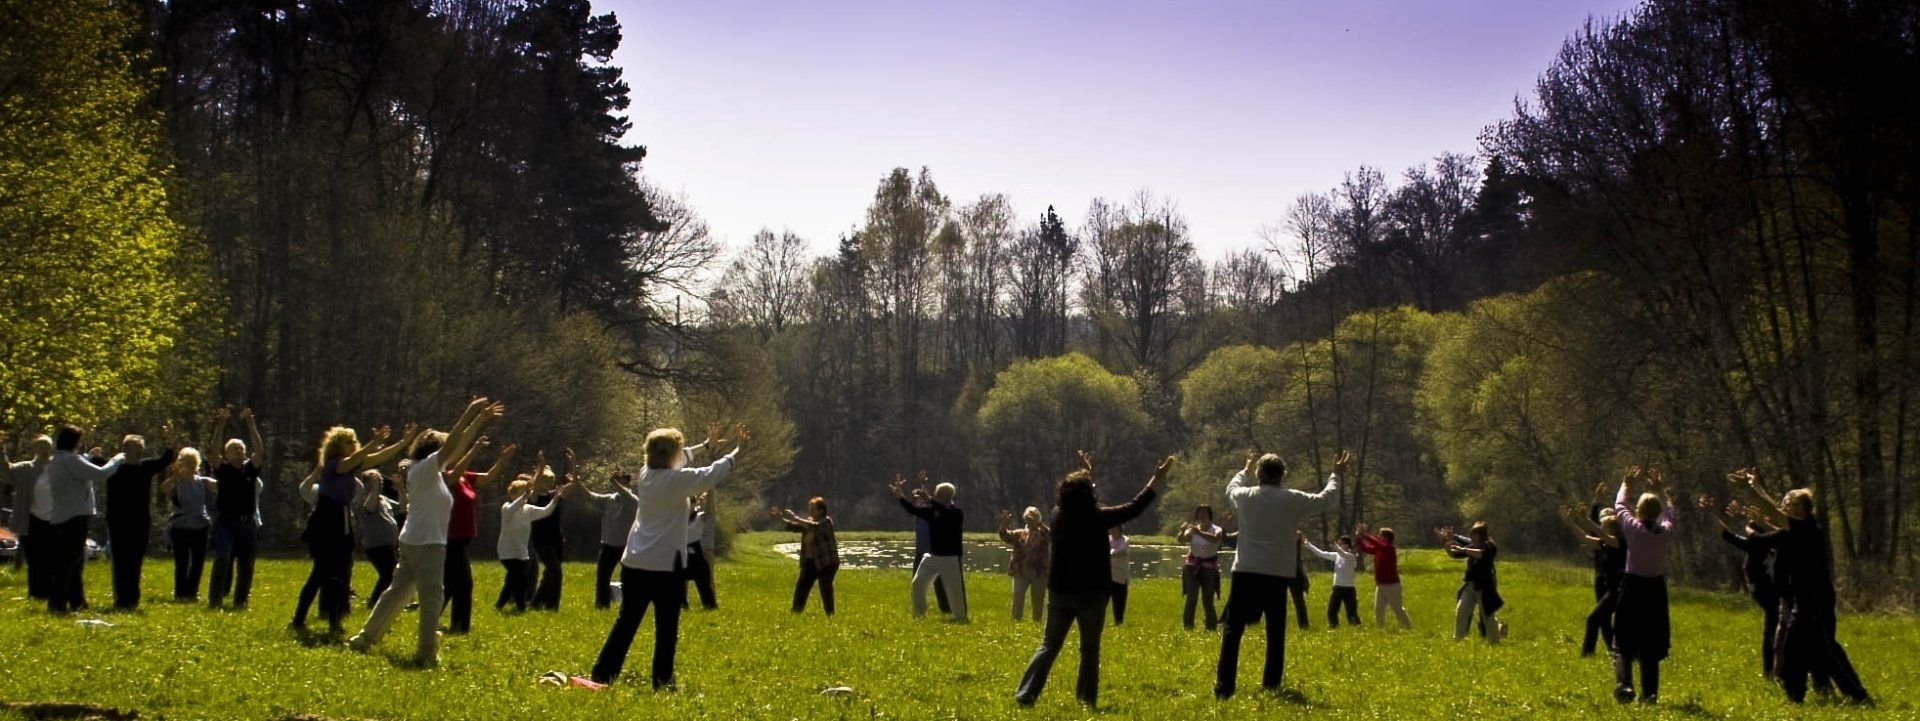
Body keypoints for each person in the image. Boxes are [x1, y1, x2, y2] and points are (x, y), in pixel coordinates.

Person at [590, 424, 747, 689]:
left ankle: (602, 674)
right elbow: (713, 473)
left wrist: (705, 445)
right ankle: (662, 681)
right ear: (671, 454)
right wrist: (740, 449)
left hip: (636, 561)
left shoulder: (645, 474)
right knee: (666, 628)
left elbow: (683, 456)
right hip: (665, 566)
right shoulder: (677, 481)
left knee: (626, 623)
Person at [349, 398, 501, 666]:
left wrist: (480, 421)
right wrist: (470, 412)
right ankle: (426, 652)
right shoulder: (426, 468)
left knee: (396, 592)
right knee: (432, 597)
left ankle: (366, 638)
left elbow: (458, 447)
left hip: (412, 541)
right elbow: (454, 443)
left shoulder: (431, 473)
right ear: (434, 450)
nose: (449, 453)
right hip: (428, 543)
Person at [1014, 452, 1166, 709]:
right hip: (1092, 592)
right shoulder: (1099, 517)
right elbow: (1135, 506)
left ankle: (1026, 693)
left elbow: (1077, 493)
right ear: (1089, 495)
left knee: (1049, 645)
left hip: (1061, 591)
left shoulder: (1056, 514)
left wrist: (1086, 472)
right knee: (1089, 650)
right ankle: (1086, 699)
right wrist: (1157, 478)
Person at [1727, 470, 1871, 705]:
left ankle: (1852, 695)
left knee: (1817, 649)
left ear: (1801, 509)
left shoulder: (1806, 528)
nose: (1784, 506)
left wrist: (1749, 490)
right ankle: (1804, 696)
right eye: (1784, 502)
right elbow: (1773, 514)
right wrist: (1757, 488)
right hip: (1803, 599)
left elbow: (1772, 512)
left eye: (1788, 503)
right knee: (1808, 649)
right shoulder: (1795, 528)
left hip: (1815, 600)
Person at [1214, 450, 1346, 700]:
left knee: (1233, 630)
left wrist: (1244, 467)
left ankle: (1224, 687)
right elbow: (1326, 499)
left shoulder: (1244, 496)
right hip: (1277, 573)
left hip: (1245, 571)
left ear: (1259, 474)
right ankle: (1271, 685)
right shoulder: (1292, 499)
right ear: (1282, 475)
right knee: (1275, 631)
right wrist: (1335, 475)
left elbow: (1231, 487)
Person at [293, 423, 417, 632]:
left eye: (353, 441)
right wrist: (373, 443)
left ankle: (335, 621)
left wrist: (403, 443)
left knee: (341, 574)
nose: (352, 444)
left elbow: (378, 458)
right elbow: (352, 460)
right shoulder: (333, 464)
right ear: (336, 445)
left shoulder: (353, 464)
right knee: (320, 574)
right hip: (325, 523)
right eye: (348, 441)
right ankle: (298, 620)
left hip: (342, 524)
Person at [35, 424, 123, 614]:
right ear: (74, 442)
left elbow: (78, 469)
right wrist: (117, 459)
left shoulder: (57, 460)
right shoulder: (71, 459)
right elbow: (100, 473)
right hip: (74, 516)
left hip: (62, 515)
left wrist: (89, 457)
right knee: (69, 563)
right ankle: (58, 603)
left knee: (71, 562)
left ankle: (76, 600)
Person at [1607, 467, 1677, 703]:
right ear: (1657, 513)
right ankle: (1650, 694)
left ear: (1639, 511)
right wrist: (1660, 491)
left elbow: (1619, 505)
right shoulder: (1665, 531)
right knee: (1651, 643)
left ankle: (1625, 685)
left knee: (1623, 638)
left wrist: (1627, 484)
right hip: (1655, 588)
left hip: (1632, 585)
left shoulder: (1633, 529)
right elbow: (1671, 512)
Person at [1702, 493, 1779, 676]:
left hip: (1767, 590)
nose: (1748, 531)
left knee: (1773, 630)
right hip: (1766, 591)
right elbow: (1726, 534)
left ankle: (1771, 670)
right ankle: (1771, 670)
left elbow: (1726, 534)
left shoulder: (1759, 543)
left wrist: (1711, 513)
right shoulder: (1760, 544)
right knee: (1773, 629)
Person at [104, 427, 177, 609]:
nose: (136, 451)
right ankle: (121, 599)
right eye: (132, 448)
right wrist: (89, 445)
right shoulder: (113, 468)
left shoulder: (145, 467)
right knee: (120, 561)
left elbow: (166, 459)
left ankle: (132, 599)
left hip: (140, 520)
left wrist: (168, 442)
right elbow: (90, 464)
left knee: (135, 560)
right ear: (124, 449)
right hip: (117, 520)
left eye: (139, 448)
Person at [206, 408, 264, 610]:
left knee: (247, 565)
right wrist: (220, 426)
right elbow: (213, 451)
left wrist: (251, 424)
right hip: (226, 523)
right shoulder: (222, 470)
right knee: (222, 558)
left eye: (241, 449)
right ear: (227, 454)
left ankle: (241, 601)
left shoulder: (251, 469)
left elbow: (259, 450)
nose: (239, 452)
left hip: (247, 523)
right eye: (234, 450)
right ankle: (215, 600)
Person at [892, 473, 969, 622]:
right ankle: (919, 614)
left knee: (955, 591)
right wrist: (900, 497)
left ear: (945, 496)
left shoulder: (956, 513)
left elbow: (945, 513)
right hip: (932, 556)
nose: (936, 496)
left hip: (950, 559)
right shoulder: (932, 511)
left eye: (938, 495)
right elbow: (913, 510)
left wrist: (929, 499)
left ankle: (960, 617)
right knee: (917, 584)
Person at [1559, 496, 1625, 658]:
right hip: (1610, 589)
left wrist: (1586, 519)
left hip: (1619, 590)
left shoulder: (1619, 542)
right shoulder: (1604, 543)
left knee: (1593, 619)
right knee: (1601, 620)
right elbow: (1585, 537)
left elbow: (1602, 534)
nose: (1601, 528)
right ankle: (1613, 652)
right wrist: (1570, 522)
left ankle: (1589, 654)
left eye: (1603, 526)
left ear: (1612, 528)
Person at [499, 456, 567, 614]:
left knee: (520, 577)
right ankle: (515, 604)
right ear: (513, 493)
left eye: (526, 493)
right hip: (508, 551)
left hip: (522, 550)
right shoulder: (507, 507)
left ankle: (518, 603)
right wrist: (526, 494)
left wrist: (555, 499)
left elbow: (546, 511)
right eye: (523, 493)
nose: (526, 495)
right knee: (519, 577)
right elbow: (516, 504)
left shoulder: (528, 509)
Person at [442, 438, 494, 633]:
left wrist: (504, 460)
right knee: (463, 583)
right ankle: (460, 626)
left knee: (452, 582)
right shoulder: (446, 476)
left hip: (462, 538)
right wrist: (474, 449)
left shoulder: (466, 476)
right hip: (451, 537)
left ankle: (441, 620)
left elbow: (488, 477)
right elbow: (454, 474)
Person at [161, 448, 213, 601]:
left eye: (192, 462)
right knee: (182, 561)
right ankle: (180, 593)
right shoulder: (176, 482)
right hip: (181, 525)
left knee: (198, 561)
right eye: (186, 461)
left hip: (200, 525)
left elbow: (219, 485)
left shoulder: (202, 481)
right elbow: (164, 489)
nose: (189, 465)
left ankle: (192, 592)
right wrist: (174, 477)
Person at [771, 496, 839, 615]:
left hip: (826, 563)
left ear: (821, 511)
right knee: (801, 588)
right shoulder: (808, 523)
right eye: (809, 508)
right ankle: (796, 612)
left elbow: (815, 526)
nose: (810, 510)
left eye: (813, 508)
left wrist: (796, 517)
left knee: (825, 588)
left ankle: (830, 615)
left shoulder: (826, 522)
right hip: (810, 562)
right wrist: (780, 518)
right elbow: (792, 526)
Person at [1441, 521, 1505, 645]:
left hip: (1484, 587)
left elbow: (1481, 554)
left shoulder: (1490, 546)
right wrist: (1447, 546)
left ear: (1481, 535)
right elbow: (1456, 554)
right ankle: (1458, 639)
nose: (1471, 537)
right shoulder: (1472, 546)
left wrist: (1463, 549)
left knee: (1488, 616)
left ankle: (1494, 642)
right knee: (1461, 611)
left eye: (1474, 535)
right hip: (1470, 586)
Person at [5, 434, 52, 592]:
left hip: (54, 519)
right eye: (41, 446)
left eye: (47, 446)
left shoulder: (57, 468)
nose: (44, 450)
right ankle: (36, 592)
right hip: (31, 518)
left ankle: (49, 590)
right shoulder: (26, 468)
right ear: (35, 449)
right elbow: (6, 470)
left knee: (49, 558)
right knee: (34, 558)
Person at [589, 471, 639, 609]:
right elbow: (590, 496)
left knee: (629, 579)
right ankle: (602, 605)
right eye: (617, 480)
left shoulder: (633, 500)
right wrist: (576, 482)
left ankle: (629, 605)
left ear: (628, 483)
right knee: (602, 578)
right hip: (608, 545)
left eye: (621, 481)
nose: (618, 483)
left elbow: (625, 494)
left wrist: (614, 482)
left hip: (627, 546)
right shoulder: (609, 499)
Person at [527, 450, 568, 611]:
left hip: (556, 539)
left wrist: (572, 464)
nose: (549, 484)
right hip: (542, 541)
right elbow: (535, 484)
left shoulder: (555, 495)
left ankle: (536, 603)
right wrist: (541, 466)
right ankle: (551, 606)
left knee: (549, 573)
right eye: (546, 481)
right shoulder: (534, 497)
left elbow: (571, 485)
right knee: (555, 571)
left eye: (550, 481)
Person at [356, 470, 403, 607]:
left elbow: (402, 507)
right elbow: (368, 508)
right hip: (376, 545)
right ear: (366, 483)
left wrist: (400, 489)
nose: (380, 481)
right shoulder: (364, 498)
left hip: (389, 543)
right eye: (374, 479)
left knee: (391, 575)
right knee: (388, 575)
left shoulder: (383, 499)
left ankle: (384, 602)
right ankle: (375, 602)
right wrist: (375, 488)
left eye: (380, 479)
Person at [998, 506, 1051, 622]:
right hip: (1021, 571)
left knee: (1038, 600)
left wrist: (1038, 524)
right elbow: (1005, 536)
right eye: (1027, 520)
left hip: (1039, 572)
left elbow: (1051, 535)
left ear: (1038, 519)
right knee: (1018, 596)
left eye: (1032, 519)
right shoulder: (1020, 533)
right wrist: (1004, 524)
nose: (1029, 522)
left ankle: (1036, 622)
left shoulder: (1044, 533)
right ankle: (1016, 620)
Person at [1353, 524, 1410, 629]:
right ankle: (1380, 630)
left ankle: (1408, 628)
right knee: (1378, 610)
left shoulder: (1389, 548)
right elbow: (1365, 548)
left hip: (1392, 585)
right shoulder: (1379, 549)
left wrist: (1365, 534)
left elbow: (1377, 543)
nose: (1378, 536)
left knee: (1397, 609)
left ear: (1386, 538)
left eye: (1380, 535)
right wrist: (1358, 537)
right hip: (1380, 585)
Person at [1177, 505, 1223, 631]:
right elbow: (1181, 540)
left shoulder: (1216, 529)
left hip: (1209, 568)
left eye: (1204, 513)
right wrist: (1182, 532)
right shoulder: (1192, 530)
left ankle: (1211, 628)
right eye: (1200, 513)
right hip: (1192, 567)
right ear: (1197, 516)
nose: (1202, 516)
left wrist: (1199, 533)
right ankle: (1188, 627)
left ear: (1210, 515)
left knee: (1208, 601)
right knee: (1191, 597)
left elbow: (1215, 539)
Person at [909, 483, 952, 614]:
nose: (919, 503)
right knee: (917, 584)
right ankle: (919, 611)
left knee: (940, 584)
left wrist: (923, 487)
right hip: (920, 554)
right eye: (917, 501)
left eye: (922, 500)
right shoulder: (918, 517)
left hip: (935, 553)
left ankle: (946, 609)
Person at [1303, 534, 1360, 628]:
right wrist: (1309, 545)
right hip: (1337, 587)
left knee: (1351, 612)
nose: (1341, 545)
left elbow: (1343, 553)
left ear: (1348, 545)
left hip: (1349, 589)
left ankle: (1356, 628)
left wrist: (1334, 544)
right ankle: (1333, 626)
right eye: (1340, 544)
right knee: (1332, 610)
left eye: (1343, 544)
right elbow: (1321, 553)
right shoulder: (1336, 555)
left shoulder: (1351, 556)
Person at [683, 491, 718, 610]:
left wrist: (709, 496)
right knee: (679, 580)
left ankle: (709, 604)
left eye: (691, 503)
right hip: (682, 550)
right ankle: (682, 603)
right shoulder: (678, 518)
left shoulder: (698, 517)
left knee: (703, 580)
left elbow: (708, 512)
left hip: (696, 551)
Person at [1107, 526, 1130, 626]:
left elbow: (1122, 552)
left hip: (1120, 576)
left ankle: (1118, 622)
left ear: (1120, 530)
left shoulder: (1125, 540)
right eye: (1111, 529)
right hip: (1108, 575)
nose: (1112, 531)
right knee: (1101, 601)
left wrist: (1107, 554)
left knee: (1119, 602)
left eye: (1114, 529)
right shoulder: (1108, 539)